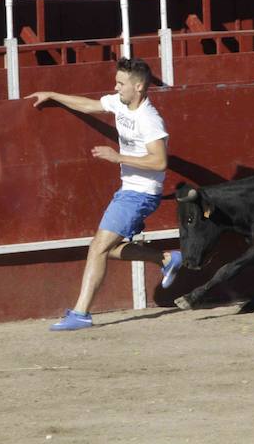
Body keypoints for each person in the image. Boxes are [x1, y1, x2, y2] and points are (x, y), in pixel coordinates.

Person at [25, 57, 183, 331]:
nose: (116, 87)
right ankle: (166, 259)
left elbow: (159, 162)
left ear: (139, 87)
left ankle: (81, 313)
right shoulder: (120, 104)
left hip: (141, 193)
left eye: (121, 83)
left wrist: (116, 157)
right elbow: (89, 105)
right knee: (105, 250)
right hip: (129, 190)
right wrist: (52, 95)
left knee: (98, 248)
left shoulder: (149, 119)